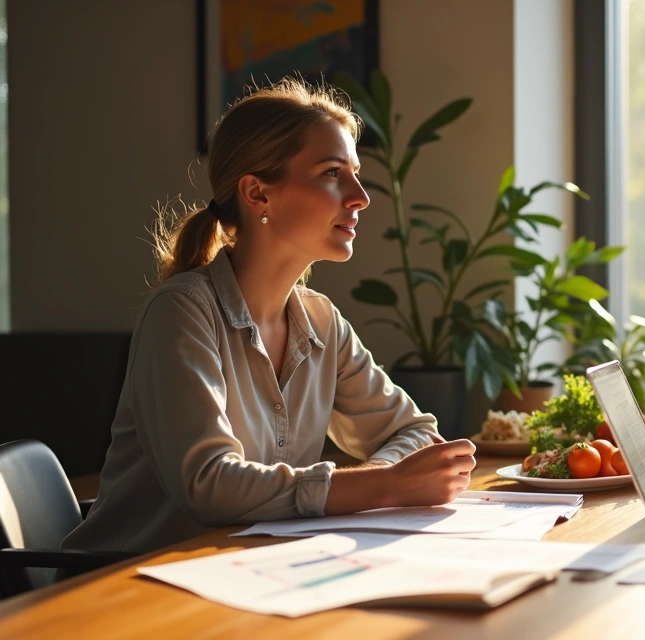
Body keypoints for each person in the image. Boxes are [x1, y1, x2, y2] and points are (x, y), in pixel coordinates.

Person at [63, 78, 475, 555]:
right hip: (126, 591)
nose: (360, 196)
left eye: (355, 173)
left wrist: (383, 479)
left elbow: (417, 433)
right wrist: (384, 486)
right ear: (257, 193)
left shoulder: (323, 322)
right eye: (332, 173)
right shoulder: (181, 312)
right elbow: (209, 485)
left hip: (246, 575)